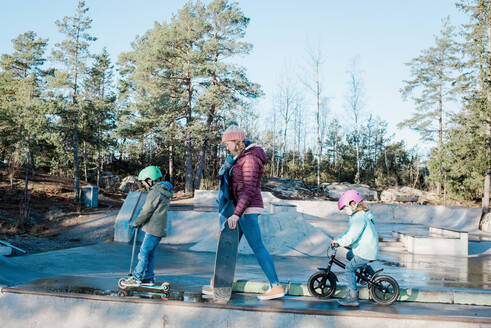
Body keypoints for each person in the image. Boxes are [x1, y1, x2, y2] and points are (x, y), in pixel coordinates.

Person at [203, 125, 284, 300]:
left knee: (257, 246)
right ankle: (216, 283)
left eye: (227, 143)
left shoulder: (250, 160)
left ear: (236, 141)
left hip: (247, 209)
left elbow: (247, 190)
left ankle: (276, 286)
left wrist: (236, 214)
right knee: (227, 245)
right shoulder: (240, 158)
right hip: (240, 208)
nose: (225, 146)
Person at [121, 165, 173, 287]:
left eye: (144, 182)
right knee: (149, 253)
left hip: (153, 228)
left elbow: (147, 210)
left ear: (150, 180)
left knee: (143, 253)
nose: (144, 185)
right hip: (158, 227)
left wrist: (137, 222)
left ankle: (137, 277)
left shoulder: (155, 191)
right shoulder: (163, 190)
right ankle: (149, 277)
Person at [331, 189, 378, 306]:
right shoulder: (357, 216)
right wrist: (338, 239)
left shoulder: (359, 218)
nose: (345, 211)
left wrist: (339, 243)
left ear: (353, 204)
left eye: (345, 208)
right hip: (365, 248)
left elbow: (351, 237)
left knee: (349, 269)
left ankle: (353, 297)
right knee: (349, 255)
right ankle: (370, 273)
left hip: (365, 250)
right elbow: (348, 232)